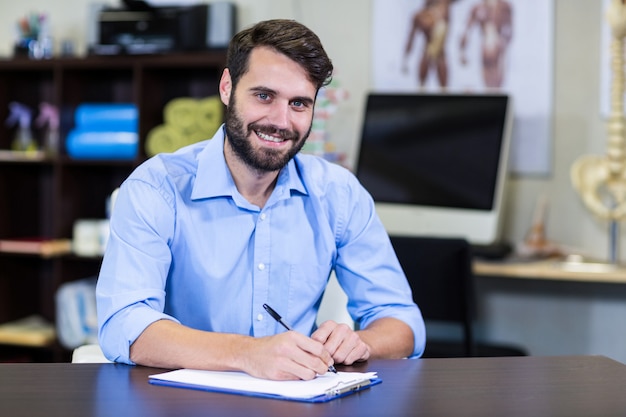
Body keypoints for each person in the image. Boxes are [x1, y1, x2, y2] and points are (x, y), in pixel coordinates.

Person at [96, 19, 425, 381]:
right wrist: (248, 353)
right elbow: (125, 323)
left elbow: (401, 321)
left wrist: (361, 342)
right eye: (264, 95)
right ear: (227, 87)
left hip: (297, 400)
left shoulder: (339, 194)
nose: (280, 121)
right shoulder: (155, 189)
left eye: (299, 103)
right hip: (180, 403)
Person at [403, 0, 458, 88]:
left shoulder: (444, 7)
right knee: (422, 86)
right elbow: (411, 39)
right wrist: (405, 59)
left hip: (440, 55)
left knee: (444, 88)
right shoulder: (419, 16)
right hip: (426, 54)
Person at [459, 0, 513, 89]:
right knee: (486, 79)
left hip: (498, 48)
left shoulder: (504, 7)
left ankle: (496, 94)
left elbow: (509, 29)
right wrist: (462, 51)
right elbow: (466, 30)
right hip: (485, 47)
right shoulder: (478, 8)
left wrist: (500, 41)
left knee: (497, 78)